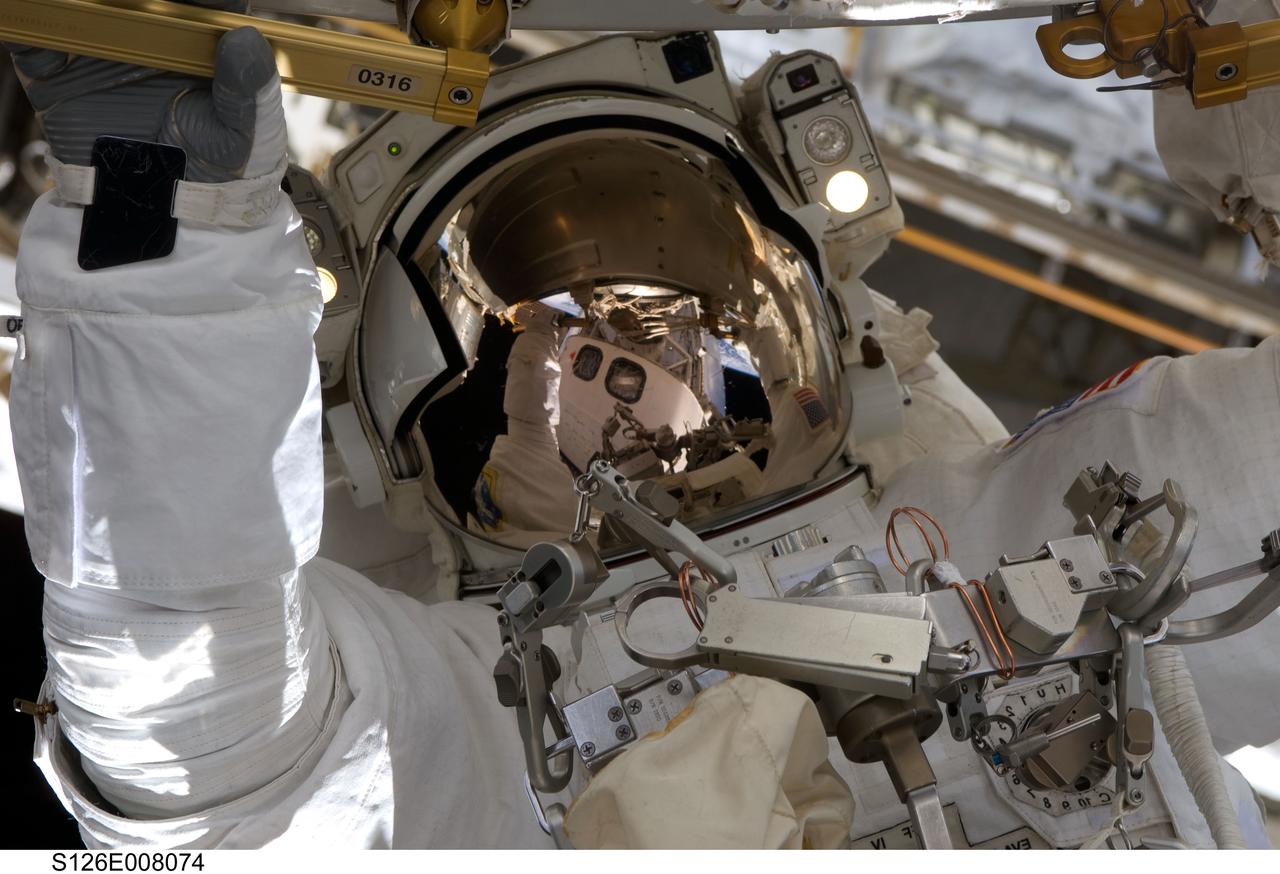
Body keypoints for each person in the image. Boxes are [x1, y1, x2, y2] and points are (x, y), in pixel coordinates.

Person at [7, 0, 1279, 850]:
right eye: (570, 347)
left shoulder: (1010, 537)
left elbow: (193, 724)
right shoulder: (471, 705)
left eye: (677, 334)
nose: (629, 391)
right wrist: (163, 229)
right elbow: (201, 727)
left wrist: (1242, 74)